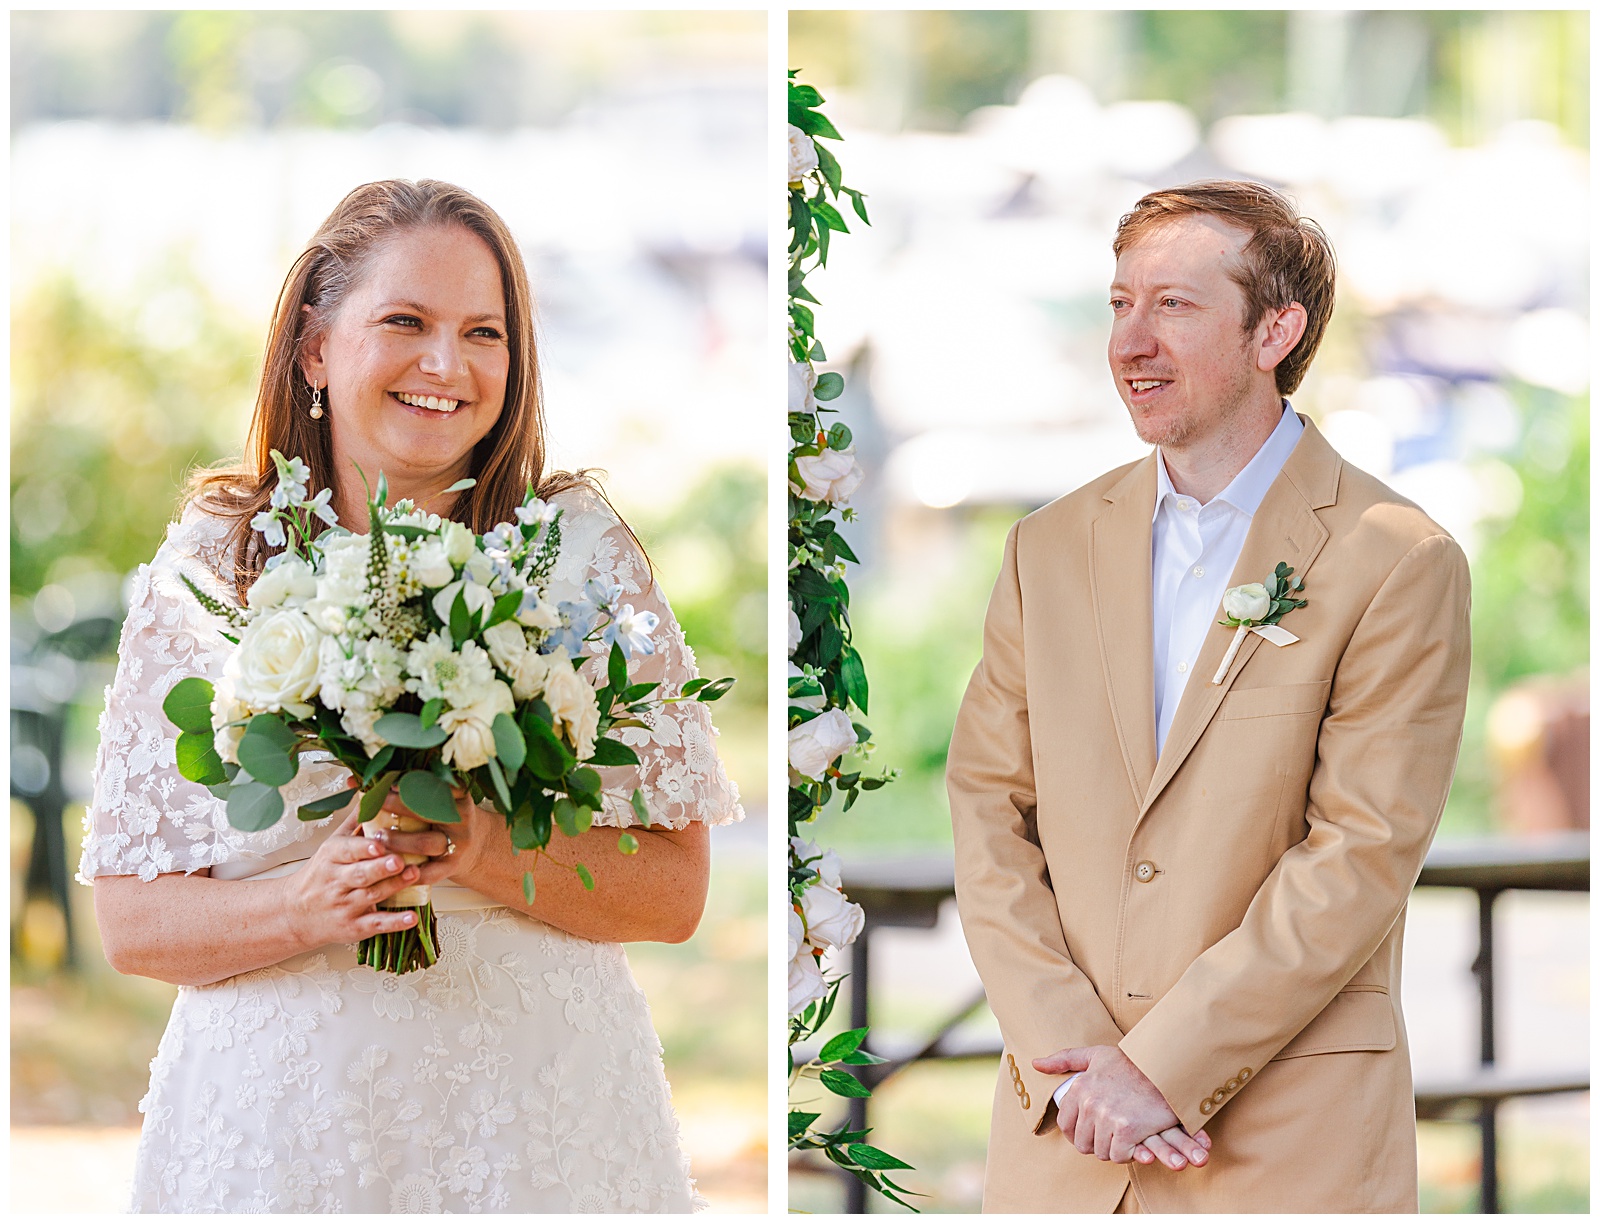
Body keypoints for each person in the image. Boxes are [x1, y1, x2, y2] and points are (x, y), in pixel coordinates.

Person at [77, 179, 743, 1213]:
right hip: (279, 1131)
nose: (447, 364)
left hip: (540, 1122)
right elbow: (131, 923)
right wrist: (302, 906)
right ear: (312, 350)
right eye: (406, 322)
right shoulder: (216, 564)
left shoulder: (578, 557)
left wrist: (482, 846)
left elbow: (673, 892)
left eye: (484, 332)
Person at [947, 180, 1470, 1213]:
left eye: (1173, 306)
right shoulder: (1042, 549)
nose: (1129, 342)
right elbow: (985, 811)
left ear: (1276, 329)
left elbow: (1359, 855)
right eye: (1118, 304)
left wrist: (1160, 1070)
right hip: (1066, 1138)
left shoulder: (1397, 558)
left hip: (1287, 1146)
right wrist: (1078, 1058)